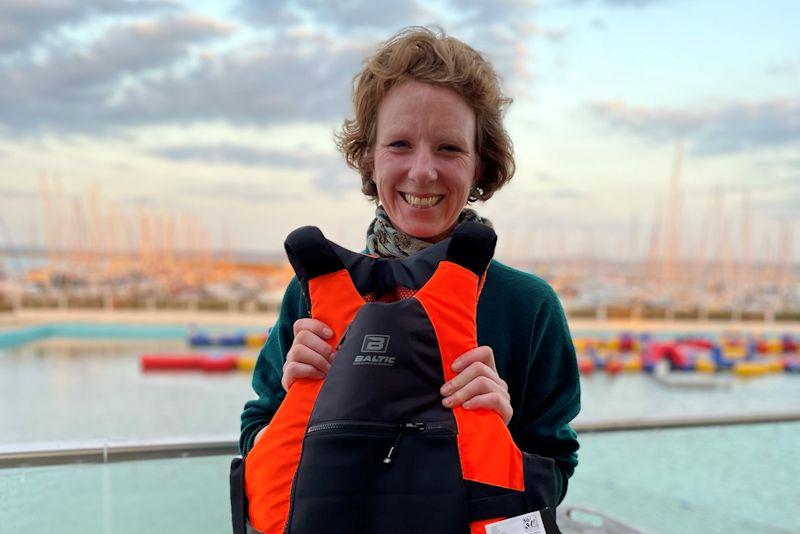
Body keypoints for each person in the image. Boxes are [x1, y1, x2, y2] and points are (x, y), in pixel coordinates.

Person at [239, 26, 580, 506]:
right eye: (399, 144)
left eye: (449, 148)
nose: (423, 171)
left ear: (480, 164)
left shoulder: (527, 306)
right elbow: (255, 437)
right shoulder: (313, 294)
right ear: (369, 159)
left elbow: (556, 466)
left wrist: (503, 431)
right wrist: (294, 404)